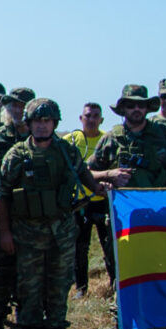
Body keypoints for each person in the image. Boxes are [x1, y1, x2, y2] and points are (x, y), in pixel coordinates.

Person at [90, 85, 166, 329]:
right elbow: (89, 172)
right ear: (123, 109)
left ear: (146, 108)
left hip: (159, 221)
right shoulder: (112, 138)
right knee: (122, 278)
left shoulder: (163, 135)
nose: (135, 110)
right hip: (122, 222)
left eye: (140, 105)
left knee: (158, 275)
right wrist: (110, 174)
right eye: (130, 105)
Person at [0, 98, 105, 329]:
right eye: (37, 121)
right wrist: (5, 232)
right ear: (29, 123)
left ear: (54, 123)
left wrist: (106, 191)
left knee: (59, 285)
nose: (42, 126)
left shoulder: (67, 152)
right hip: (27, 234)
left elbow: (86, 178)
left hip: (62, 233)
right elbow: (2, 196)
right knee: (29, 287)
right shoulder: (17, 155)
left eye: (47, 121)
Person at [0, 87, 36, 329]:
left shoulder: (40, 137)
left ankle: (29, 325)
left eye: (23, 105)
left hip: (33, 219)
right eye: (13, 105)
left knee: (31, 275)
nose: (18, 109)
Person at [64, 102, 106, 300]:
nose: (91, 119)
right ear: (81, 118)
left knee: (108, 245)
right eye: (88, 115)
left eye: (95, 116)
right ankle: (81, 288)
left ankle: (114, 284)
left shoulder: (107, 140)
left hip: (102, 200)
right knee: (80, 248)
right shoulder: (70, 140)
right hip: (79, 203)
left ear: (101, 120)